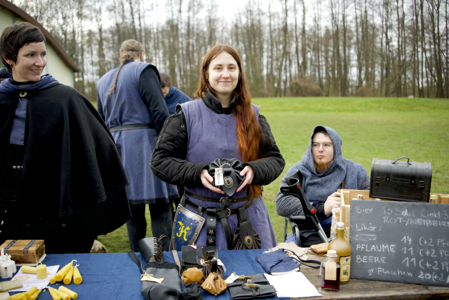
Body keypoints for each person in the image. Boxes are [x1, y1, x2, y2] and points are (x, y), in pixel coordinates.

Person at [0, 22, 131, 254]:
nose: (39, 62)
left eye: (42, 54)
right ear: (9, 58)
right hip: (8, 205)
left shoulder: (65, 99)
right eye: (30, 55)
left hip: (54, 205)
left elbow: (99, 151)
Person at [151, 44, 285, 250]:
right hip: (199, 222)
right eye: (218, 68)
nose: (226, 74)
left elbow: (275, 160)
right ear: (206, 73)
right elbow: (160, 161)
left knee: (255, 279)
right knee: (196, 280)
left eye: (232, 68)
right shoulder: (185, 116)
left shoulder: (254, 116)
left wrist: (254, 169)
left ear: (239, 73)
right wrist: (197, 172)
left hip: (249, 220)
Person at [96, 39, 177, 252]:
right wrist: (168, 146)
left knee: (133, 211)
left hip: (118, 151)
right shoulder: (144, 70)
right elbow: (160, 112)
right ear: (141, 55)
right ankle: (165, 260)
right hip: (146, 147)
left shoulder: (103, 80)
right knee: (161, 208)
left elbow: (100, 121)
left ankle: (138, 259)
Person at [276, 125, 370, 246]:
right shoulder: (298, 172)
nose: (320, 149)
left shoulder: (356, 172)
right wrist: (321, 209)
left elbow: (373, 202)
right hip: (311, 232)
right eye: (315, 145)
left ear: (336, 147)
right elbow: (281, 203)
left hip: (351, 232)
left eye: (327, 145)